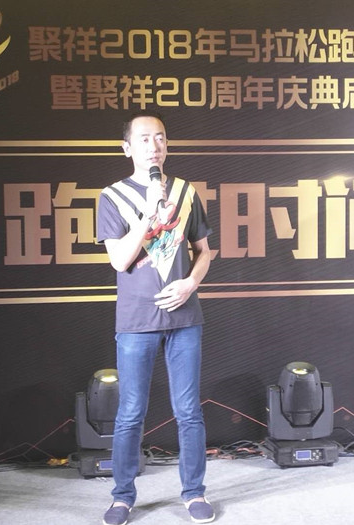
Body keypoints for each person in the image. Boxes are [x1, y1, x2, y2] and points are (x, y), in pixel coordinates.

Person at [95, 110, 214, 525]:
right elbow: (119, 260)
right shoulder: (112, 197)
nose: (154, 146)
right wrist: (148, 214)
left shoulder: (185, 191)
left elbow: (204, 251)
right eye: (144, 139)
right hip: (136, 320)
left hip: (184, 318)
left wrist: (190, 283)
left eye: (160, 138)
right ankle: (122, 497)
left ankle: (194, 492)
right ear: (126, 148)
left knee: (189, 411)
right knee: (131, 412)